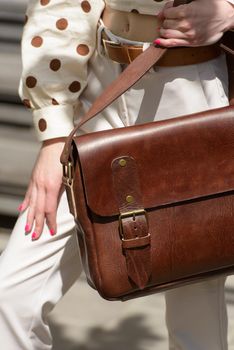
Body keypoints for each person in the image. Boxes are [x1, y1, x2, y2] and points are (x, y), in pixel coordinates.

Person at [0, 0, 234, 348]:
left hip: (189, 85)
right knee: (12, 296)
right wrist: (54, 133)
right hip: (101, 88)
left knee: (194, 312)